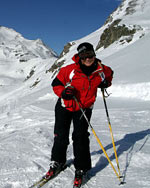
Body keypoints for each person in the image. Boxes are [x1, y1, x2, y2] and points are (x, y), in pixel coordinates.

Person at [46, 42, 113, 187]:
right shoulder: (69, 70)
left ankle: (82, 168)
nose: (87, 58)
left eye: (90, 55)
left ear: (94, 55)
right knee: (60, 135)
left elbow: (110, 74)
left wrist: (106, 83)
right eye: (84, 56)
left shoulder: (102, 70)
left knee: (80, 137)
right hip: (65, 106)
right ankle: (58, 161)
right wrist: (63, 92)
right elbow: (56, 84)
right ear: (79, 57)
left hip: (84, 107)